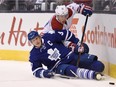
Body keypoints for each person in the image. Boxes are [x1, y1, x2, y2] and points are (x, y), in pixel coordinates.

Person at [28, 30, 105, 80]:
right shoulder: (33, 54)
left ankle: (86, 66)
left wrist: (77, 43)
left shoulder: (49, 36)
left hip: (70, 56)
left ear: (39, 37)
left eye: (36, 38)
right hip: (58, 66)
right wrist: (44, 73)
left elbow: (66, 34)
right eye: (33, 40)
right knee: (71, 69)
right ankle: (92, 75)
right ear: (31, 43)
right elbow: (36, 70)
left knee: (99, 66)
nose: (36, 41)